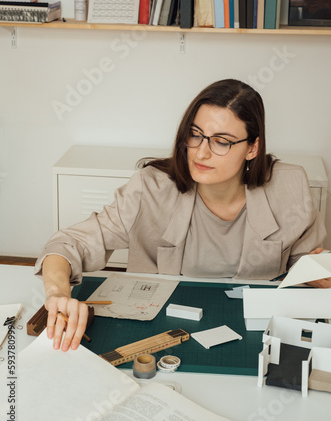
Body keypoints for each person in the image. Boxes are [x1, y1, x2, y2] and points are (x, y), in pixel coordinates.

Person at [35, 78, 328, 352]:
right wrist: (57, 293)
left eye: (222, 141)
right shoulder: (150, 188)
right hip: (162, 325)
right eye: (196, 135)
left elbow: (306, 262)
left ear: (253, 148)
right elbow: (68, 245)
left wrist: (317, 272)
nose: (201, 153)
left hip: (255, 331)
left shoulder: (290, 185)